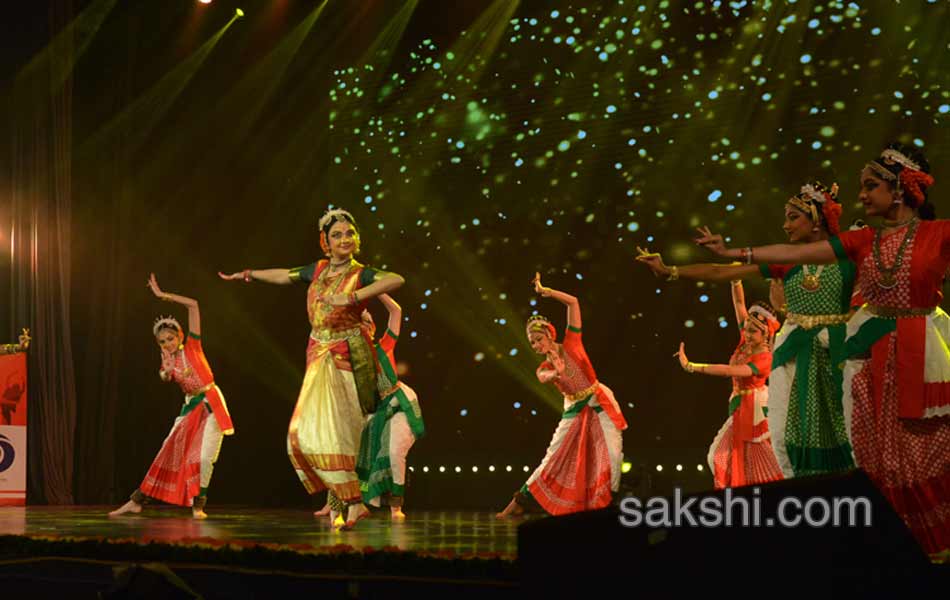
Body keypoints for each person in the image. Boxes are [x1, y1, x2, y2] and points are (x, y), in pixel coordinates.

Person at [693, 142, 950, 554]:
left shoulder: (940, 233)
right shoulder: (862, 240)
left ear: (899, 189)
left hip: (919, 352)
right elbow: (791, 255)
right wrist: (734, 252)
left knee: (925, 454)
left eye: (870, 186)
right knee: (873, 458)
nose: (861, 195)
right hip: (867, 353)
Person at [636, 181, 856, 478]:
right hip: (796, 355)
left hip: (838, 353)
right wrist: (671, 270)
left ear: (816, 220)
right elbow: (720, 272)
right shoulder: (786, 261)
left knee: (847, 430)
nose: (785, 225)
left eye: (793, 217)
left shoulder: (849, 254)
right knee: (795, 437)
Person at [219, 208, 404, 529]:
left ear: (357, 239)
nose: (344, 239)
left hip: (348, 358)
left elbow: (397, 279)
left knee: (335, 436)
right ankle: (351, 503)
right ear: (326, 243)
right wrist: (249, 274)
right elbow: (283, 275)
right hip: (318, 353)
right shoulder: (317, 269)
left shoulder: (362, 273)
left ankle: (347, 504)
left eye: (349, 234)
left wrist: (354, 297)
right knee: (301, 435)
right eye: (337, 235)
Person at [496, 273, 627, 518]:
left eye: (538, 339)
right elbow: (545, 378)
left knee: (611, 454)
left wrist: (547, 292)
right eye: (532, 343)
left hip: (599, 399)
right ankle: (516, 504)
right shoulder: (543, 368)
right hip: (574, 407)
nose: (536, 346)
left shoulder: (572, 342)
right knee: (552, 456)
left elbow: (574, 302)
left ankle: (609, 506)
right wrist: (556, 373)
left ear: (549, 334)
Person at [110, 274, 233, 519]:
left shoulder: (192, 346)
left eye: (170, 338)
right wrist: (166, 373)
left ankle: (198, 505)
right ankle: (137, 500)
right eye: (162, 341)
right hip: (190, 408)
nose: (167, 343)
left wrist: (162, 295)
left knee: (206, 457)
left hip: (211, 402)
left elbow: (193, 305)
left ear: (179, 336)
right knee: (168, 449)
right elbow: (165, 377)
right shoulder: (168, 361)